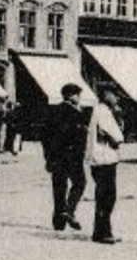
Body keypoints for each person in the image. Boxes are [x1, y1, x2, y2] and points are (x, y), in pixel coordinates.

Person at [42, 84, 89, 231]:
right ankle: (69, 210)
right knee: (80, 183)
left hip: (56, 157)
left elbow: (46, 136)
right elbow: (78, 137)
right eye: (77, 95)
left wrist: (48, 157)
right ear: (70, 95)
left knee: (59, 188)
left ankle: (58, 222)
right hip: (73, 156)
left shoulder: (54, 111)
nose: (79, 98)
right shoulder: (76, 113)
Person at [86, 87, 125, 244]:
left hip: (102, 158)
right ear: (106, 94)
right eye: (114, 95)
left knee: (105, 196)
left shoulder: (100, 110)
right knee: (107, 196)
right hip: (104, 158)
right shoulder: (103, 112)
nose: (117, 98)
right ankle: (102, 232)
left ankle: (102, 230)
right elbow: (116, 136)